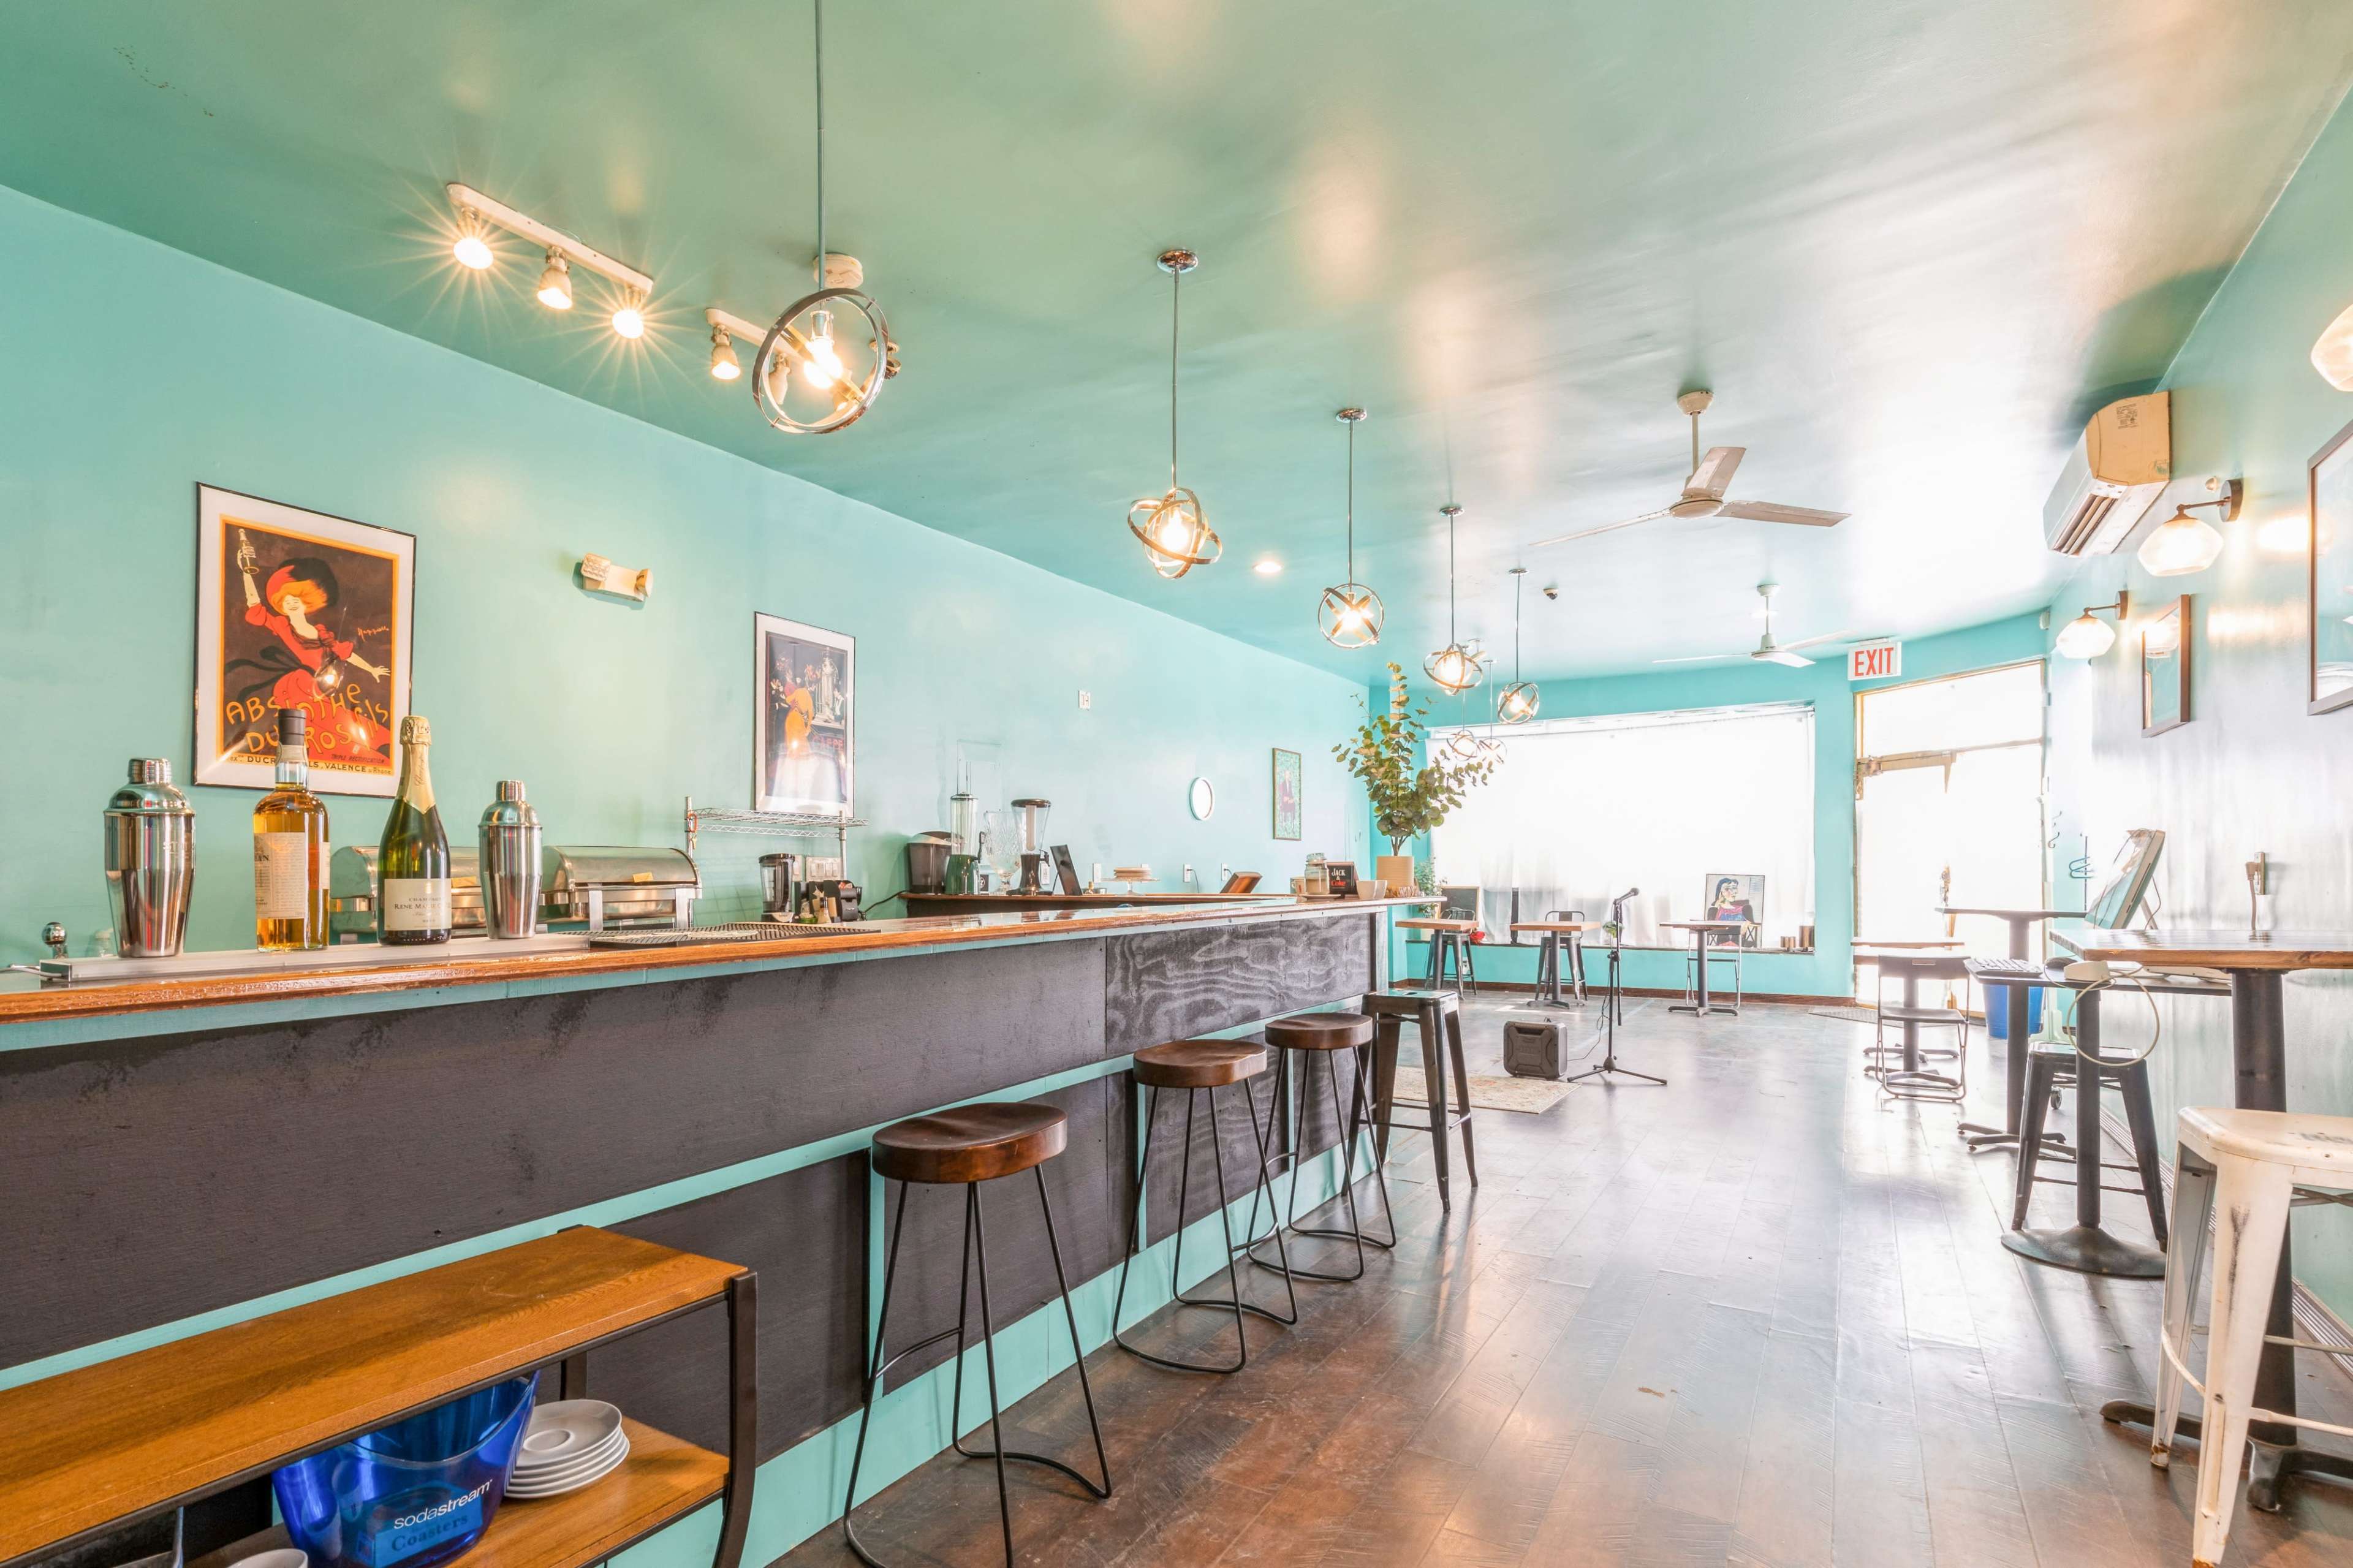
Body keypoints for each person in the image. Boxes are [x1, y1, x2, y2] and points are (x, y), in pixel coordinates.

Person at [233, 537, 392, 767]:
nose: (291, 602)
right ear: (280, 603)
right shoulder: (282, 625)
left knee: (342, 727)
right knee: (316, 735)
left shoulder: (321, 633)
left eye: (296, 597)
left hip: (319, 691)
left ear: (307, 599)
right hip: (297, 689)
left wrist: (372, 669)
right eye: (285, 599)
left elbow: (345, 653)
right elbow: (255, 606)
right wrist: (246, 573)